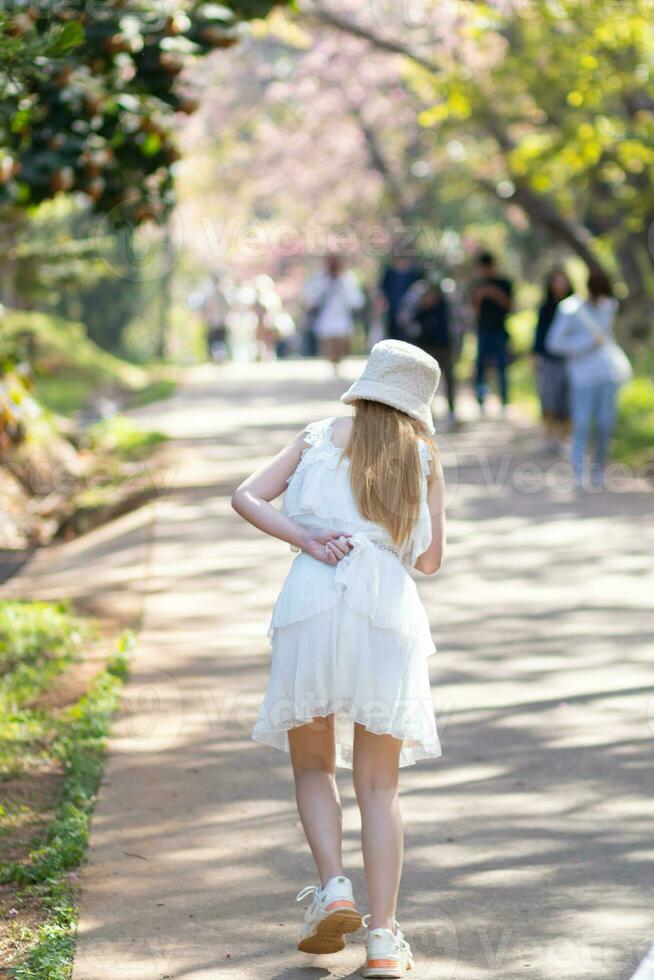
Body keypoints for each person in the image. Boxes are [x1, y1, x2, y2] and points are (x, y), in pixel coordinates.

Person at [231, 340, 446, 978]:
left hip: (313, 598)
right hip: (386, 610)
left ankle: (334, 888)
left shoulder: (321, 434)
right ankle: (383, 940)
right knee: (379, 787)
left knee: (313, 767)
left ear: (366, 384)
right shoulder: (424, 456)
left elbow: (247, 496)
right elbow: (430, 562)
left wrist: (306, 535)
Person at [546, 269, 625, 490]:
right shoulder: (570, 309)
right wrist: (586, 342)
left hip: (608, 374)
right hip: (582, 377)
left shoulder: (610, 306)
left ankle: (599, 470)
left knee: (605, 424)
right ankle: (579, 474)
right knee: (581, 424)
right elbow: (554, 342)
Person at [399, 274, 458, 426]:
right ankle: (423, 414)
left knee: (449, 379)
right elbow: (404, 319)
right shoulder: (416, 294)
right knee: (423, 381)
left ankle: (451, 412)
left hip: (445, 345)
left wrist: (457, 343)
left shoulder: (448, 294)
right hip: (424, 347)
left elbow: (458, 320)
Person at [532, 269, 573, 453]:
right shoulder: (545, 307)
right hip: (548, 359)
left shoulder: (575, 307)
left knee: (567, 400)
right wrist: (536, 354)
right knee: (548, 398)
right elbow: (539, 332)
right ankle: (549, 436)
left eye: (562, 281)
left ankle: (565, 437)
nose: (559, 285)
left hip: (569, 359)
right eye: (556, 281)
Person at [302, 255, 364, 375]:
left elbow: (355, 299)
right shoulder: (319, 279)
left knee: (341, 342)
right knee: (329, 342)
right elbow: (311, 297)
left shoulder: (347, 279)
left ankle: (339, 362)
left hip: (342, 317)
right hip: (326, 317)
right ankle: (333, 365)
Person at [471, 251, 513, 412]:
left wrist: (495, 294)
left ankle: (504, 400)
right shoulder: (476, 285)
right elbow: (473, 311)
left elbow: (509, 306)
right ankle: (481, 399)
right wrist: (480, 298)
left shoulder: (503, 283)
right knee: (481, 366)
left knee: (502, 366)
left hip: (499, 330)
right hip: (482, 330)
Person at [379, 253, 424, 341]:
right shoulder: (390, 272)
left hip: (410, 310)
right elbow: (383, 289)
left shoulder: (415, 272)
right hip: (392, 309)